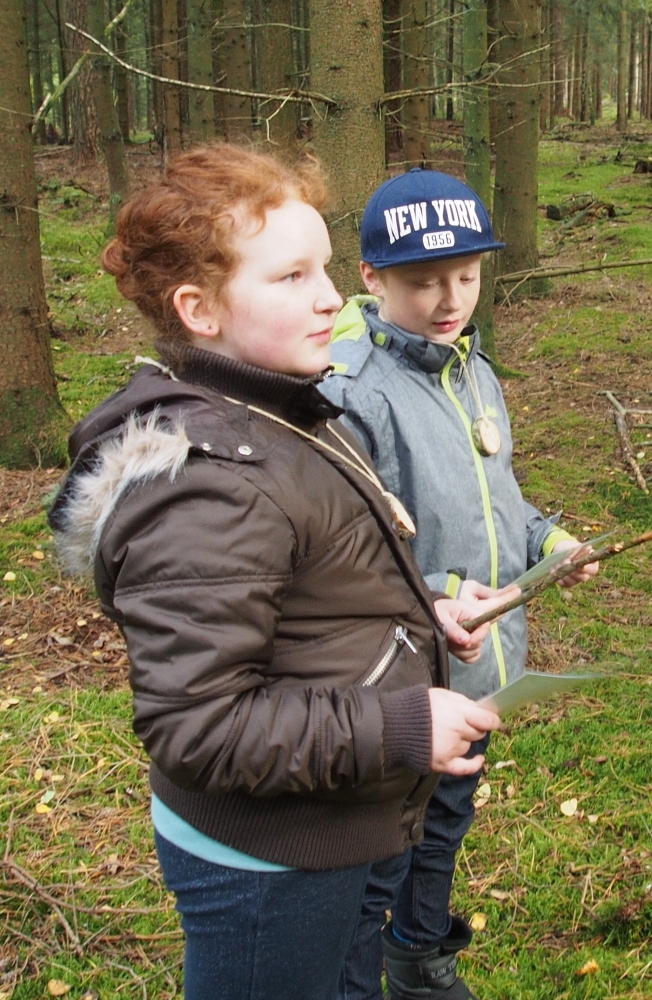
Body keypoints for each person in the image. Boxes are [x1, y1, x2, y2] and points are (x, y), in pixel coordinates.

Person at [47, 146, 509, 1000]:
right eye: (292, 276)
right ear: (201, 310)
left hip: (340, 825)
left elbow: (316, 596)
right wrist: (404, 728)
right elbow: (201, 725)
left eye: (327, 268)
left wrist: (423, 616)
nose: (332, 297)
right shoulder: (206, 483)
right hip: (272, 865)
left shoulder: (285, 408)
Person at [320, 168, 599, 1000]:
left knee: (447, 818)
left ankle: (418, 953)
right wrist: (439, 587)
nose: (449, 298)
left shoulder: (473, 370)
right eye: (422, 281)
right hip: (400, 676)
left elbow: (497, 495)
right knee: (390, 838)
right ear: (369, 278)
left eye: (467, 276)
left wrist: (550, 540)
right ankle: (359, 974)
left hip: (477, 663)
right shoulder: (351, 392)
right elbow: (346, 549)